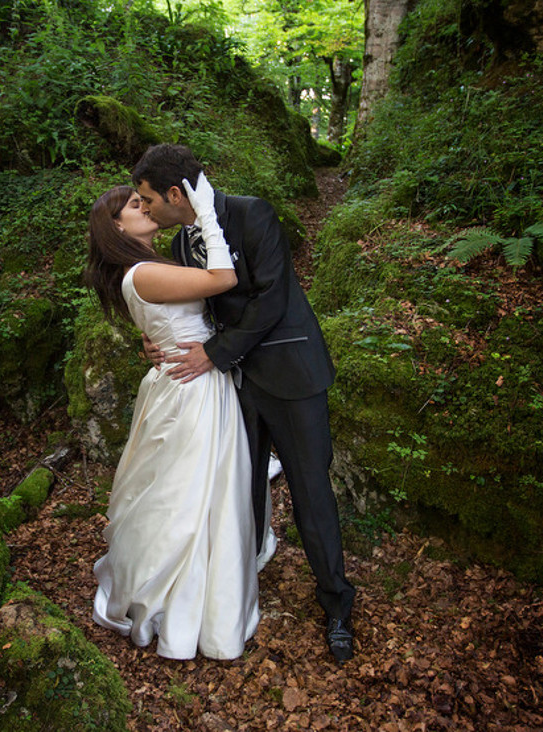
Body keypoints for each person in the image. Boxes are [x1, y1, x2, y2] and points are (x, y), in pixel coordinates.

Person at [132, 143, 357, 663]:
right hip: (232, 384)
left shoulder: (252, 213)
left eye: (148, 199)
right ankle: (241, 583)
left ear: (175, 194)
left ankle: (337, 603)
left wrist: (214, 353)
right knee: (241, 486)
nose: (145, 208)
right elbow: (191, 306)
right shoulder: (184, 242)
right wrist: (156, 340)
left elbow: (272, 297)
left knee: (310, 491)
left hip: (291, 374)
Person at [85, 183, 260, 660]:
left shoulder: (148, 266)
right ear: (118, 226)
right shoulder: (144, 272)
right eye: (135, 205)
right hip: (192, 387)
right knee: (191, 494)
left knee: (196, 491)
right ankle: (182, 602)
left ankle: (200, 584)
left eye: (144, 200)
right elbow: (222, 279)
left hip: (186, 377)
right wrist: (205, 211)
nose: (146, 207)